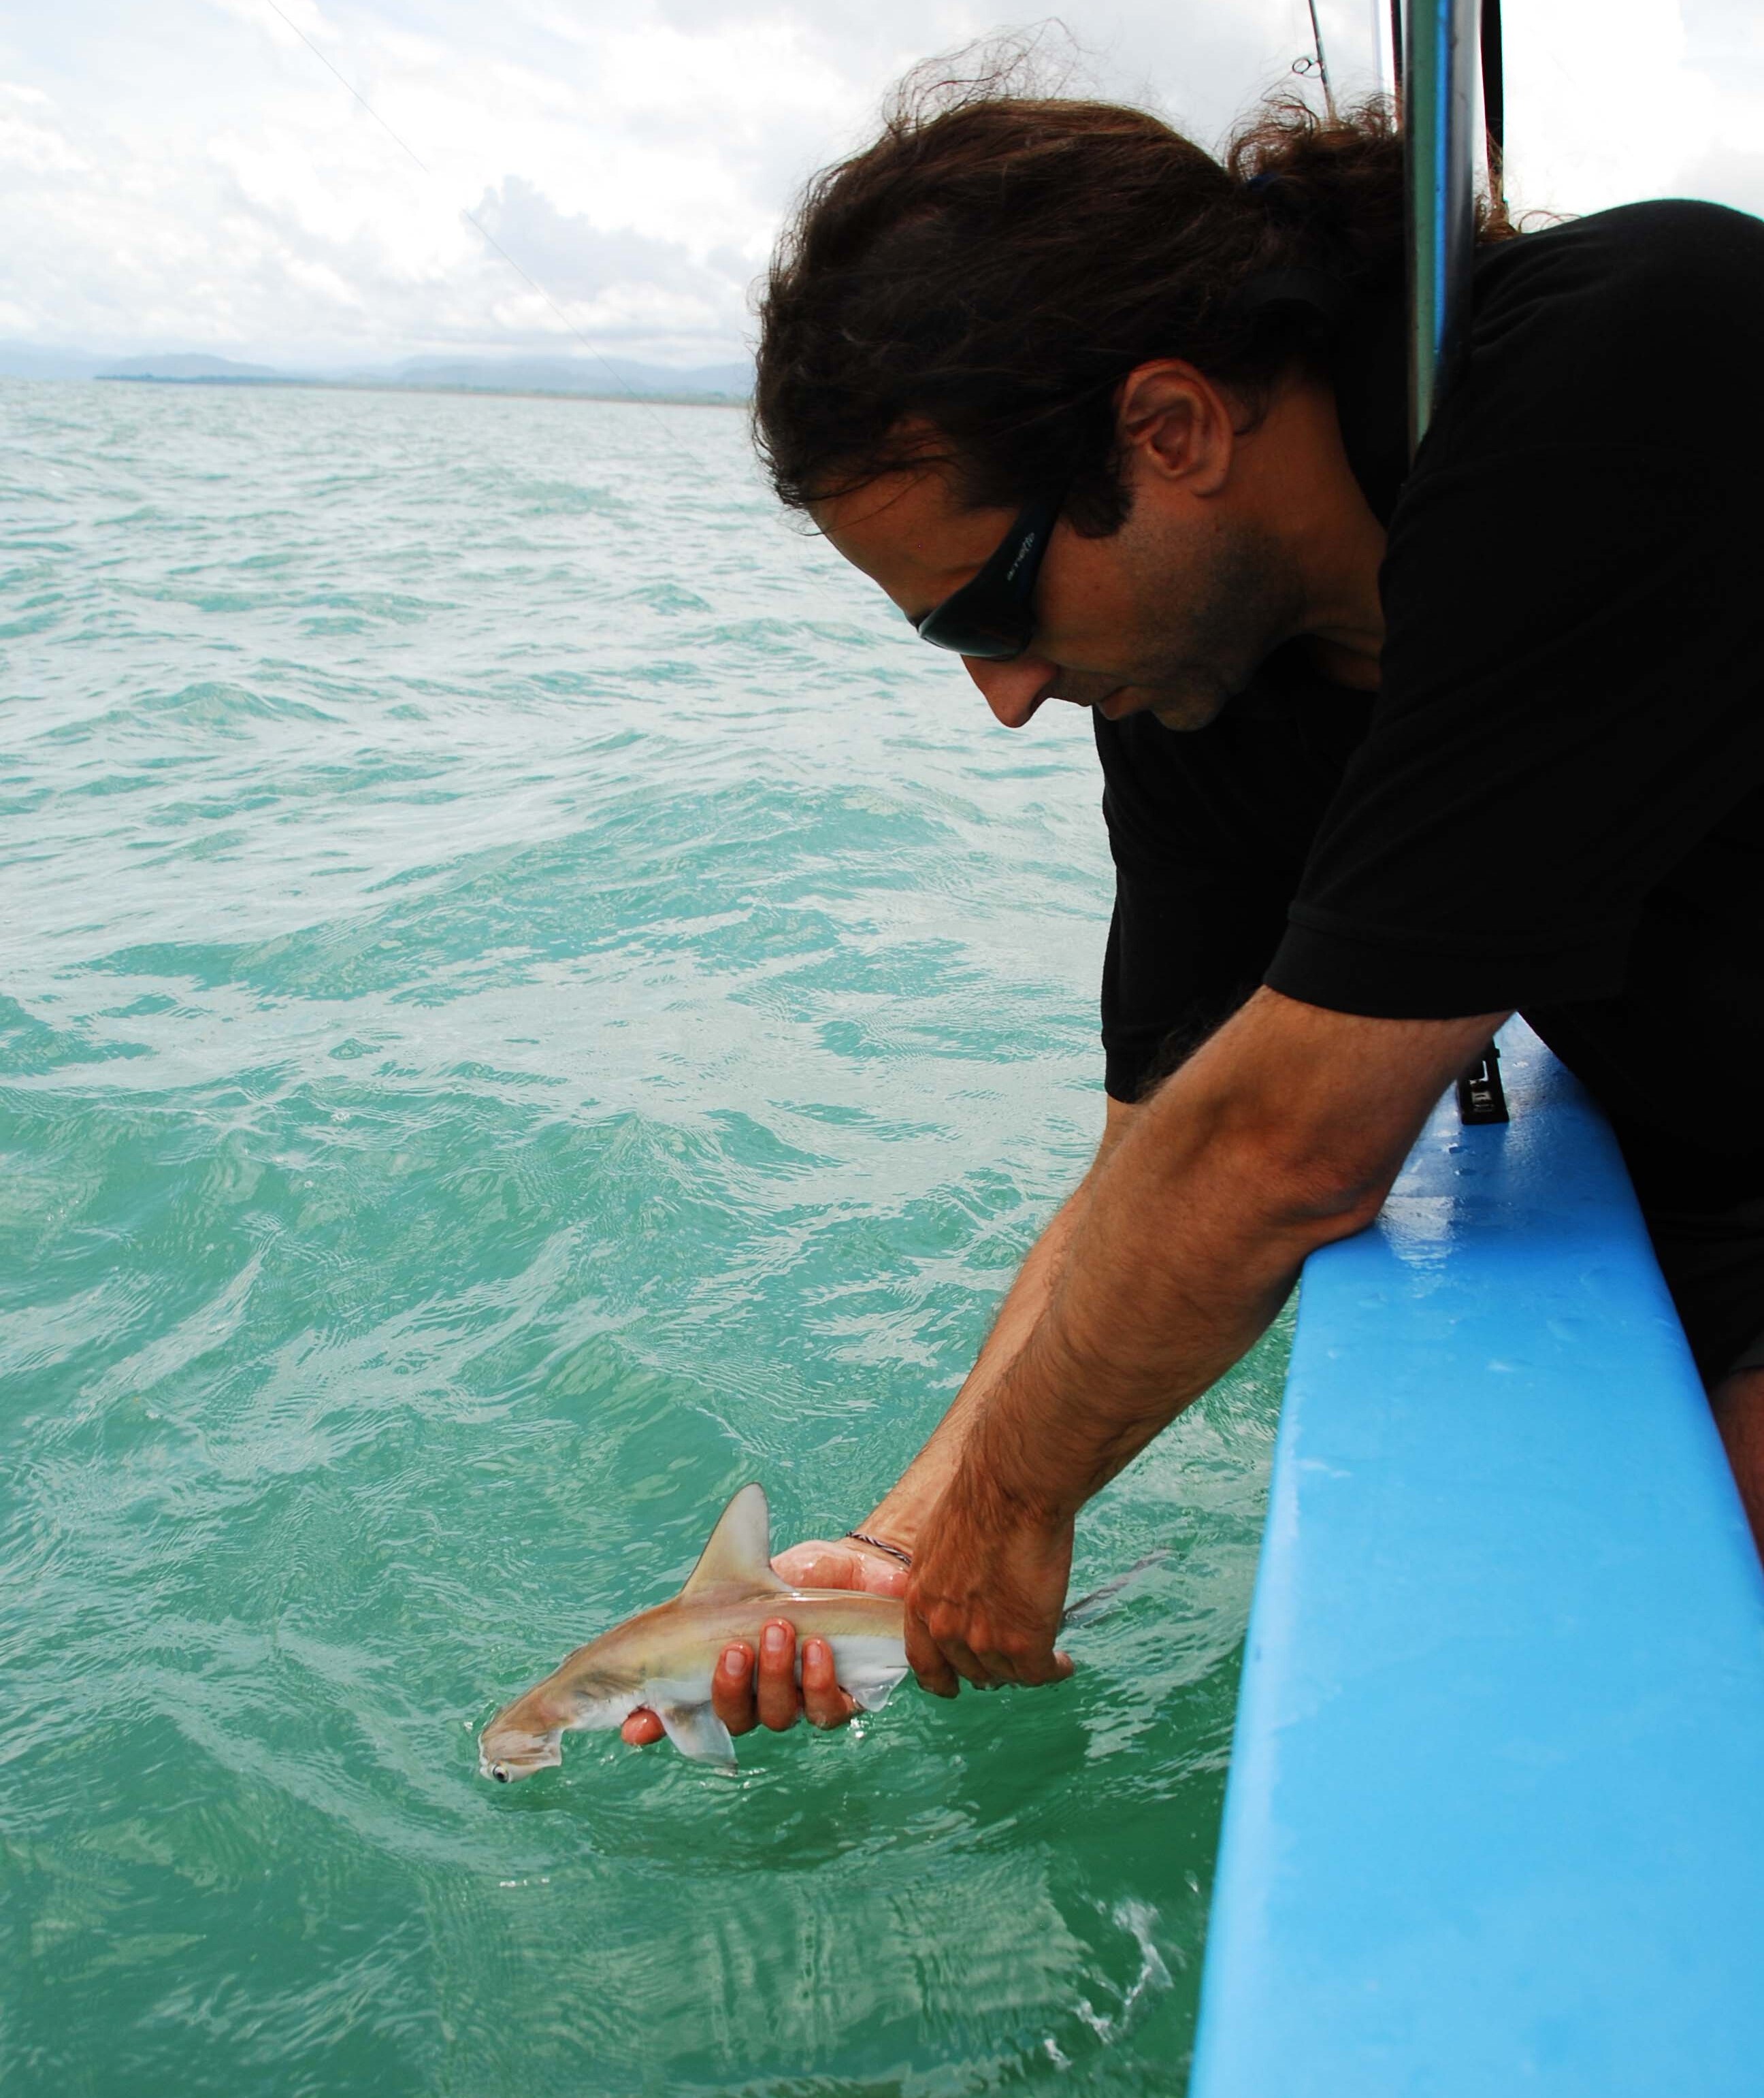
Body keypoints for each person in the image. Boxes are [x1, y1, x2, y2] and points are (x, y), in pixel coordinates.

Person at [625, 71, 1764, 1752]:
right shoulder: (1195, 688)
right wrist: (898, 1542)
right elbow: (1154, 1151)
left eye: (989, 611)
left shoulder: (1639, 363)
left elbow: (1288, 1145)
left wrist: (1019, 1500)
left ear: (1172, 429)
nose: (1007, 695)